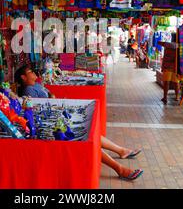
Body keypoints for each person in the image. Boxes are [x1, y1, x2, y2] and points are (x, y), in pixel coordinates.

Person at [15, 65, 143, 180]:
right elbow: (37, 108)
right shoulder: (28, 92)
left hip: (57, 118)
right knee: (88, 140)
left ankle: (121, 151)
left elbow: (49, 95)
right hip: (50, 125)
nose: (34, 73)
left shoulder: (36, 86)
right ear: (23, 77)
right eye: (30, 72)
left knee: (94, 137)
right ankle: (119, 168)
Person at [159, 33, 180, 105]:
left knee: (166, 82)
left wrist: (166, 43)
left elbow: (159, 42)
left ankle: (165, 97)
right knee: (176, 83)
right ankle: (177, 97)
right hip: (176, 66)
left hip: (167, 66)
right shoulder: (179, 46)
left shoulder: (167, 44)